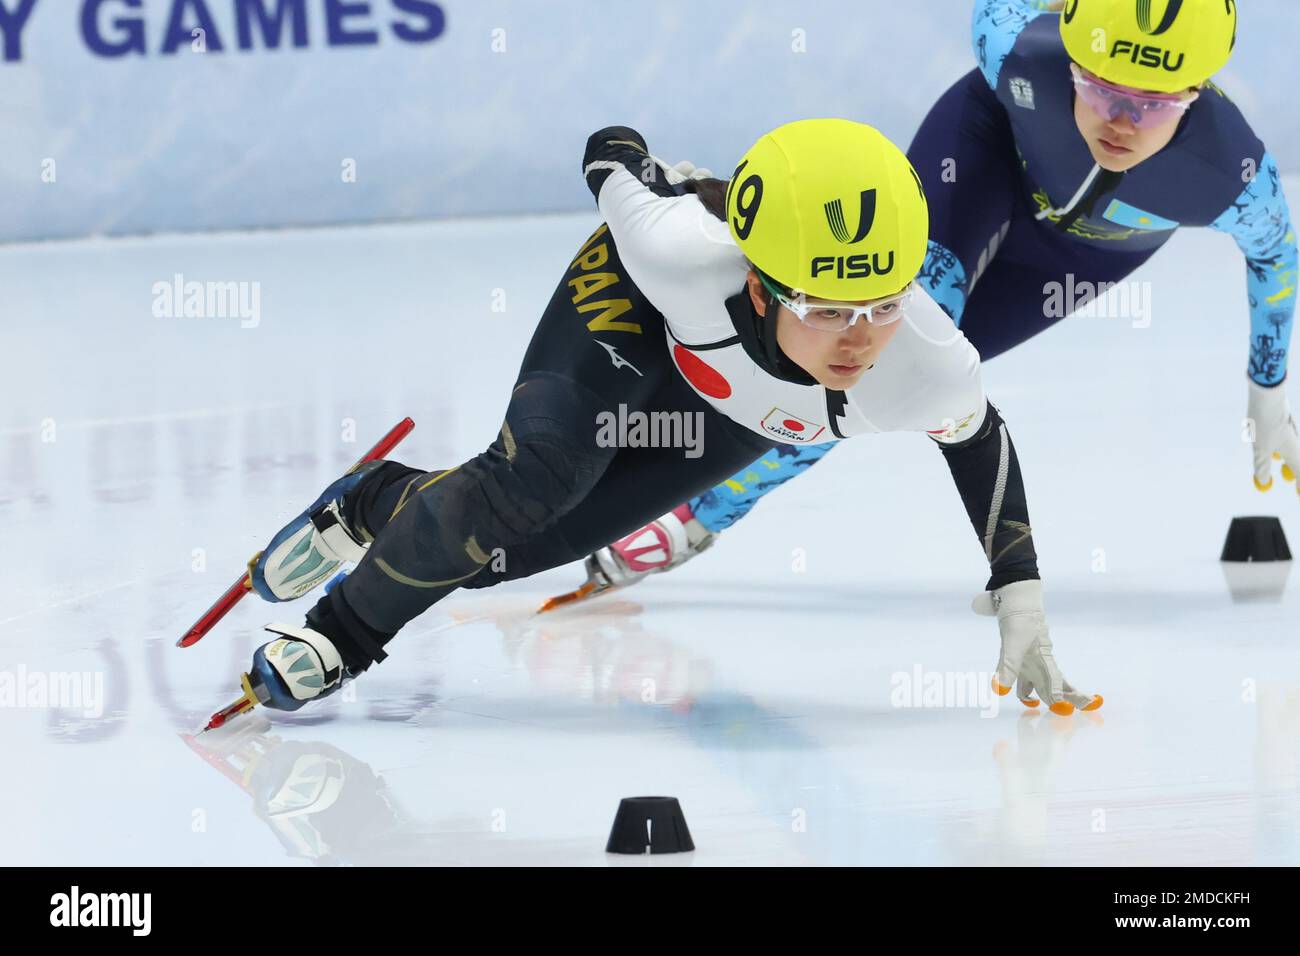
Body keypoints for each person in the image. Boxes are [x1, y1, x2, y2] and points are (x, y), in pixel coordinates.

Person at [235, 118, 1100, 717]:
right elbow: (609, 153)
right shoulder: (677, 253)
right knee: (533, 480)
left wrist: (1019, 595)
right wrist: (639, 166)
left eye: (881, 303)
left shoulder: (925, 363)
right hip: (639, 308)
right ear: (760, 283)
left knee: (510, 554)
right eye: (828, 308)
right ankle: (338, 638)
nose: (860, 337)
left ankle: (372, 504)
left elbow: (980, 443)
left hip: (737, 395)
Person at [575, 0, 1298, 599]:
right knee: (862, 349)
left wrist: (1269, 381)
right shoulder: (1014, 47)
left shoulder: (1233, 175)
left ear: (1198, 93)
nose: (1121, 122)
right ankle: (652, 472)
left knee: (909, 373)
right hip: (979, 161)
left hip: (1077, 257)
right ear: (1071, 60)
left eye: (1156, 104)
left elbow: (1279, 257)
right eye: (1100, 88)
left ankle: (701, 514)